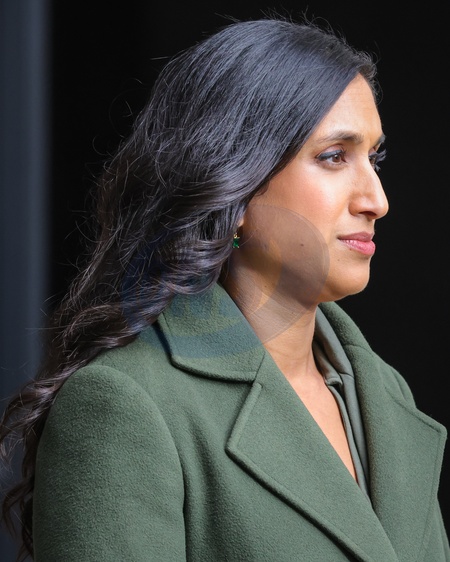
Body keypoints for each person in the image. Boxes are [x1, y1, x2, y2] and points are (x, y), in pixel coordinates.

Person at [0, 15, 448, 562]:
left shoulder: (384, 395)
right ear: (233, 183)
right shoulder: (126, 405)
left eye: (373, 158)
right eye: (334, 156)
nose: (376, 200)